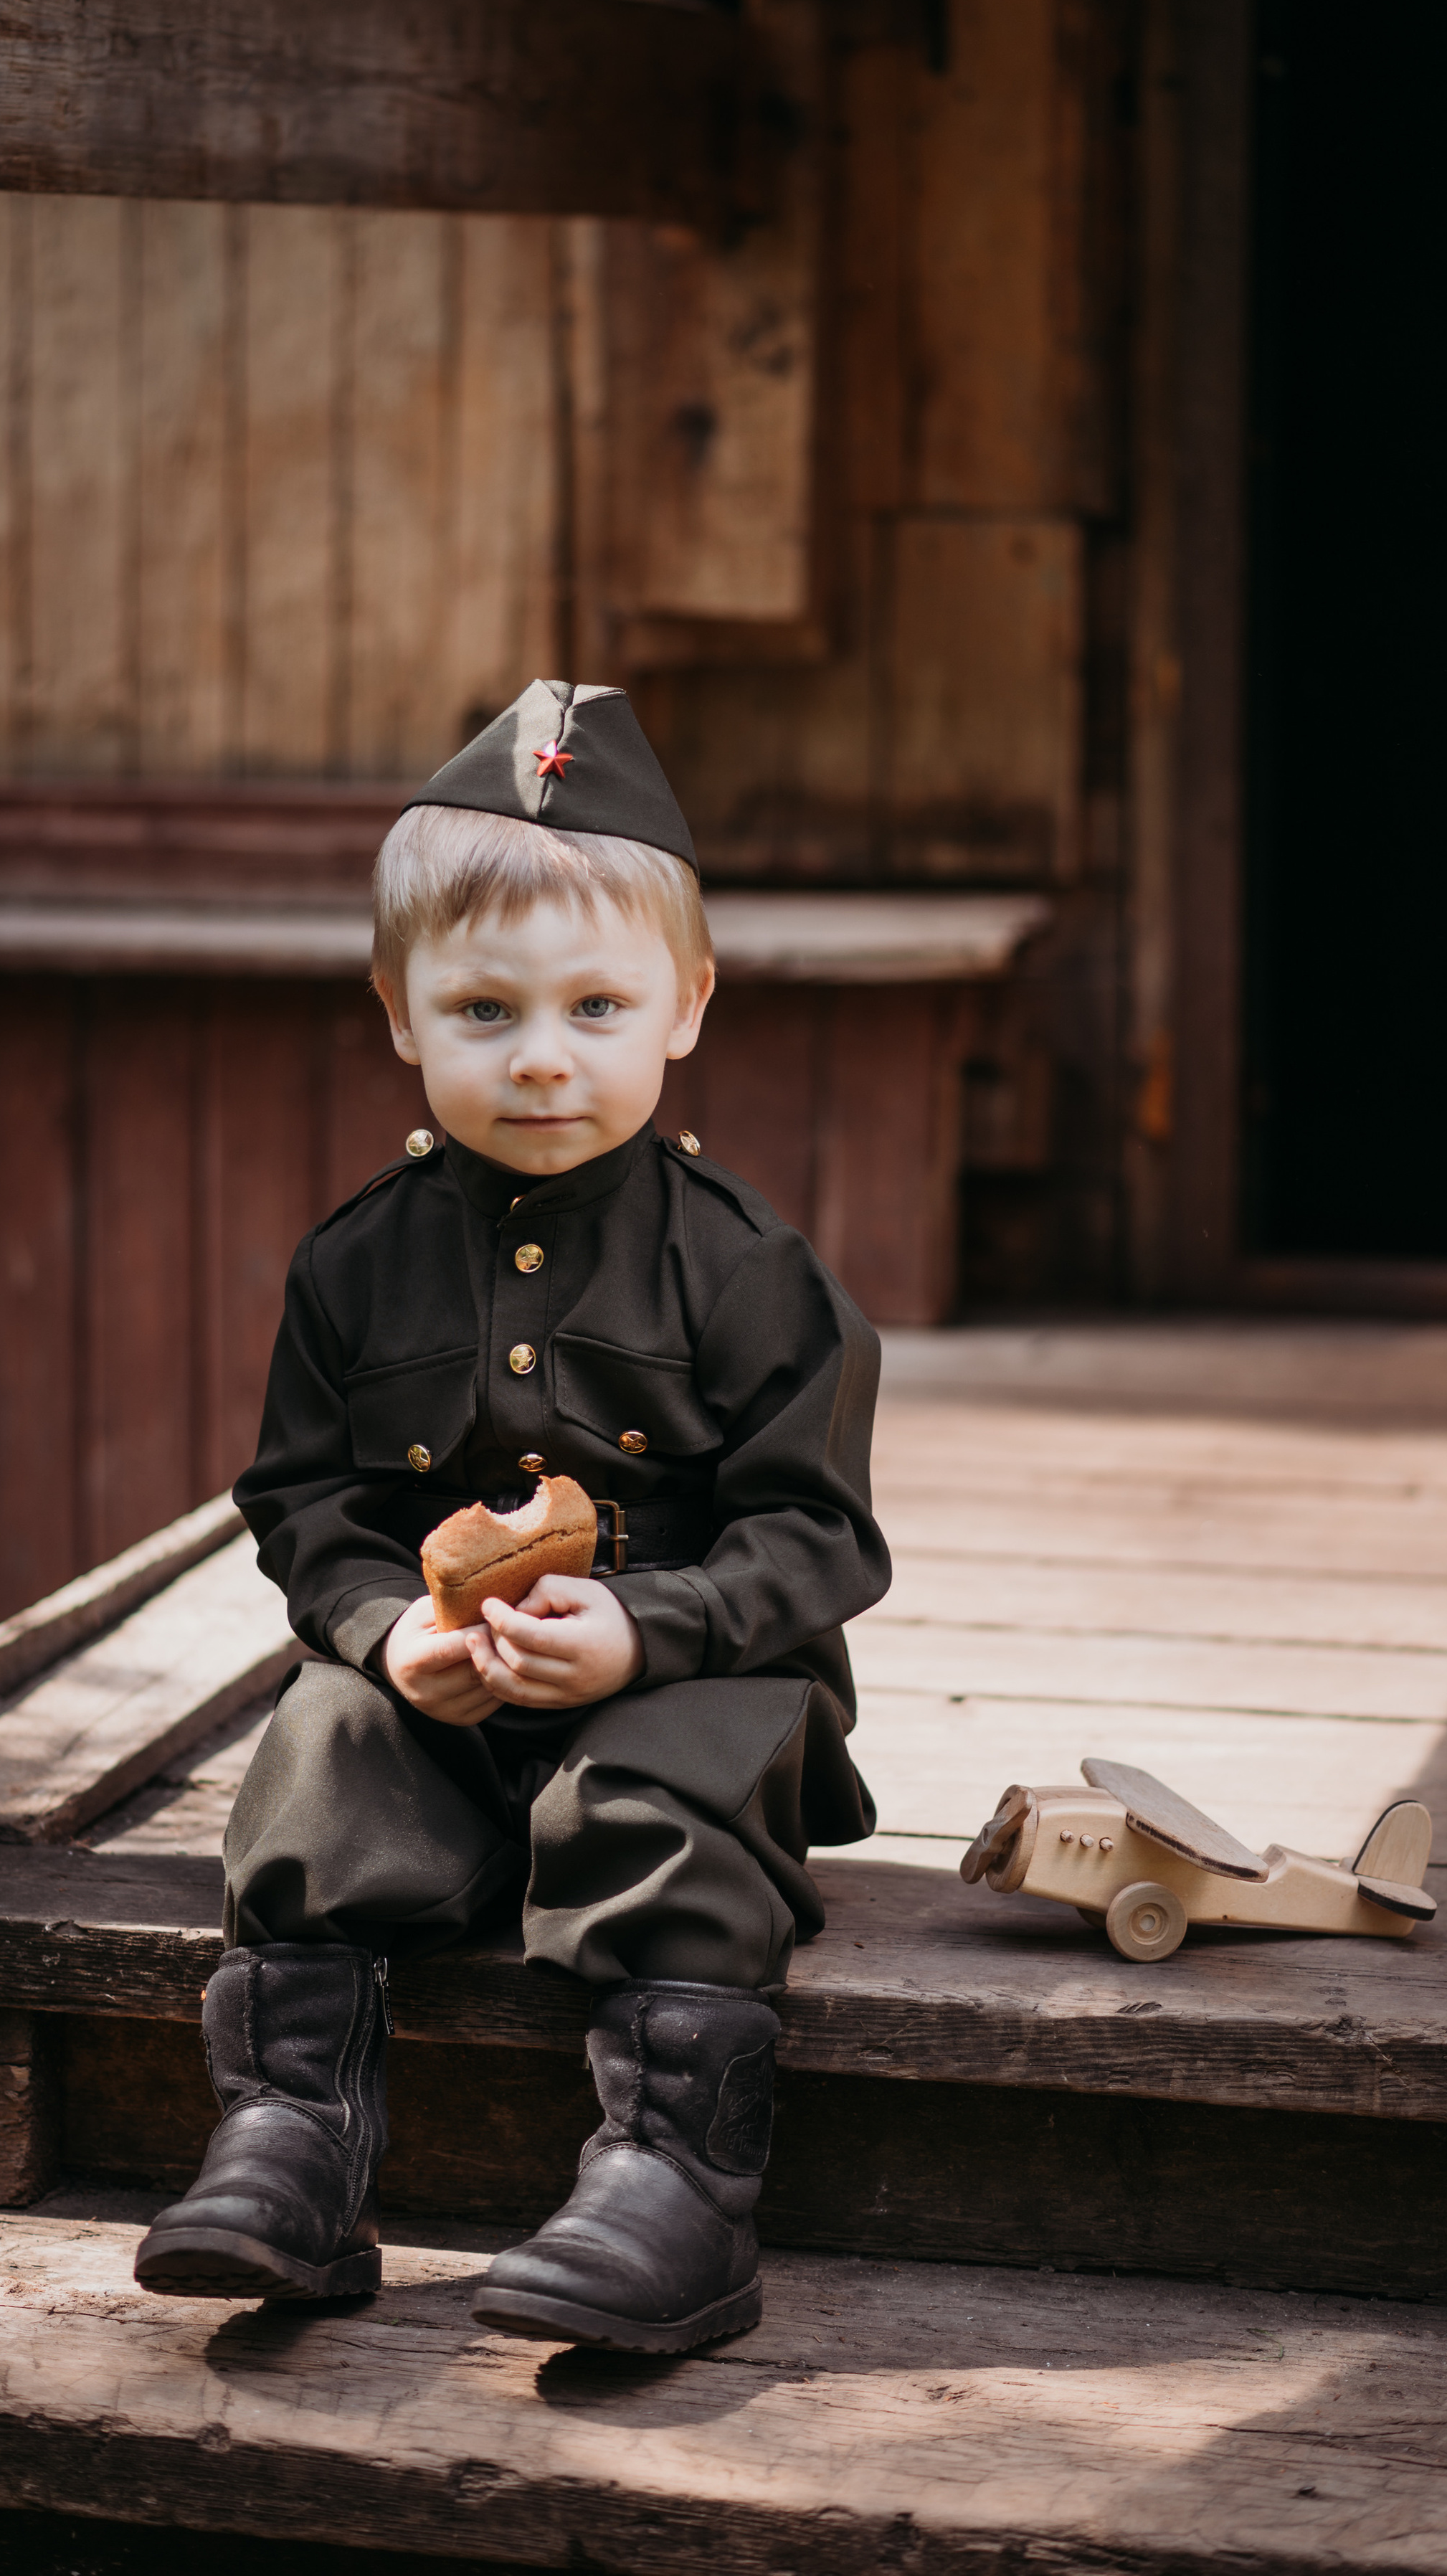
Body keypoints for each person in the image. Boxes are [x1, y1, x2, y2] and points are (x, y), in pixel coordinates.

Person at [134, 681, 890, 2352]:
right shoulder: (354, 1263)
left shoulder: (749, 1271)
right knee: (323, 1738)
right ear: (399, 1014)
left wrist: (648, 1623)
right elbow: (302, 1504)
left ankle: (672, 2186)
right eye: (481, 1009)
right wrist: (386, 1628)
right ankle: (291, 2146)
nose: (541, 1055)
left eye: (595, 1005)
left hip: (694, 1682)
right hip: (450, 1703)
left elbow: (818, 1537)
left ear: (684, 1006)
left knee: (660, 1766)